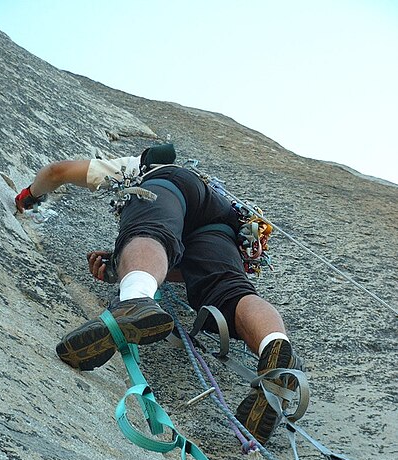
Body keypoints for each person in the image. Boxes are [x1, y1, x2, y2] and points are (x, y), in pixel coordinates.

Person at [15, 144, 303, 444]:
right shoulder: (212, 192)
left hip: (169, 185)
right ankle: (276, 350)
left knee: (148, 230)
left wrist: (30, 195)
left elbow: (57, 171)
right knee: (227, 289)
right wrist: (118, 265)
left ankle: (135, 301)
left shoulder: (138, 167)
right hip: (221, 222)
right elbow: (182, 265)